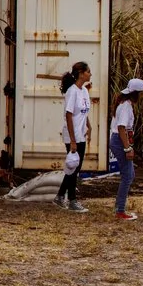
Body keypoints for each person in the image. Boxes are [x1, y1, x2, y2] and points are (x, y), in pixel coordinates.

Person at [56, 62, 95, 212]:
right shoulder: (72, 91)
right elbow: (69, 114)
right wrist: (72, 140)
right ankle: (72, 200)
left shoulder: (84, 90)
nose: (90, 74)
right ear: (81, 73)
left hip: (81, 134)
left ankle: (60, 196)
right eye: (88, 71)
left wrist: (89, 126)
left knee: (75, 168)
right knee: (73, 168)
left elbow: (84, 111)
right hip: (72, 135)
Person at [111, 78, 143, 221]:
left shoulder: (124, 104)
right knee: (128, 176)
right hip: (120, 140)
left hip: (120, 140)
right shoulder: (126, 107)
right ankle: (120, 210)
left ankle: (120, 206)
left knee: (129, 174)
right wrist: (127, 148)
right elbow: (121, 128)